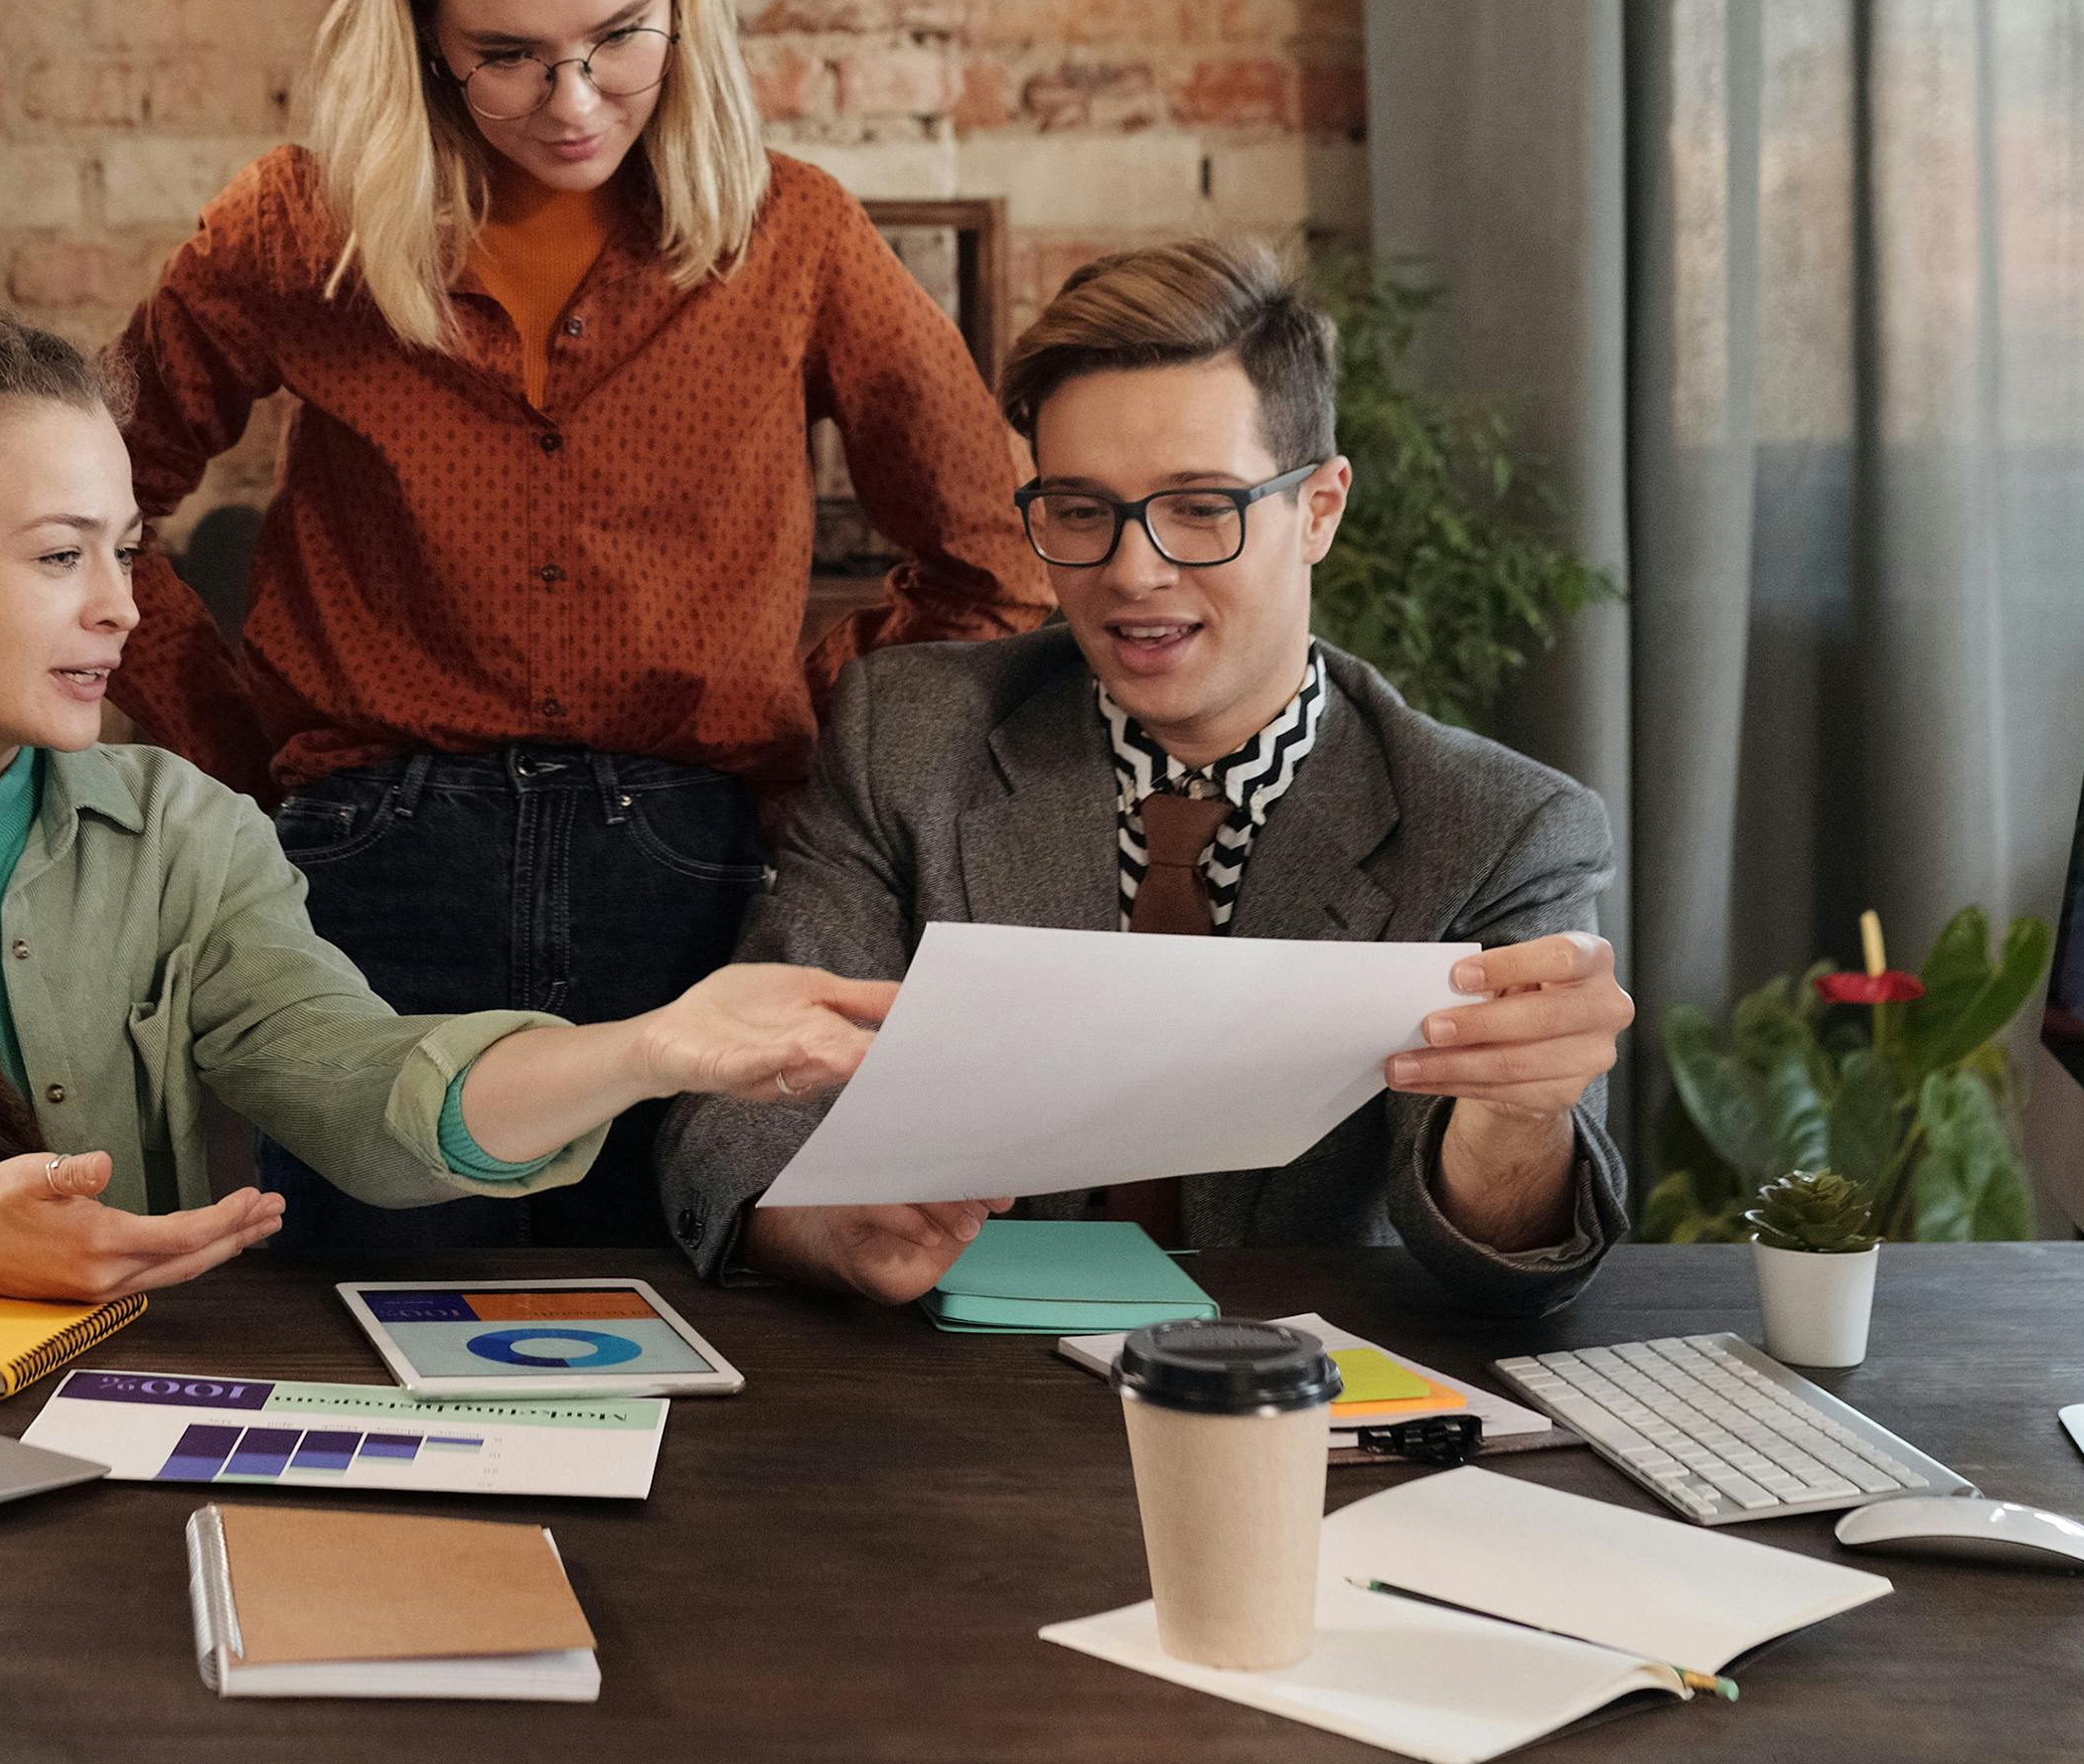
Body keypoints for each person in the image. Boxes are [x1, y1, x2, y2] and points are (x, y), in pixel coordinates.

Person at [0, 258, 895, 1308]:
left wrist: (652, 1046)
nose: (122, 607)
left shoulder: (184, 839)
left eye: (125, 546)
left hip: (94, 1473)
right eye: (56, 554)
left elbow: (370, 1089)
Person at [104, 0, 1047, 1252]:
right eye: (509, 51)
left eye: (619, 37)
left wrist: (799, 716)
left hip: (686, 878)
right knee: (367, 1345)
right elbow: (94, 508)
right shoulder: (298, 232)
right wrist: (235, 759)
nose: (573, 99)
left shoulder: (794, 236)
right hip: (367, 877)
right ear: (419, 24)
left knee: (696, 1342)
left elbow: (997, 562)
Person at [658, 237, 1637, 1315]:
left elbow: (1501, 1261)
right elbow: (739, 1102)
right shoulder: (908, 733)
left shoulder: (1499, 824)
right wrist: (817, 1222)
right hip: (954, 1400)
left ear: (1317, 509)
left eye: (1200, 507)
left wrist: (1520, 1113)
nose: (1133, 571)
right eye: (1079, 510)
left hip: (1297, 1403)